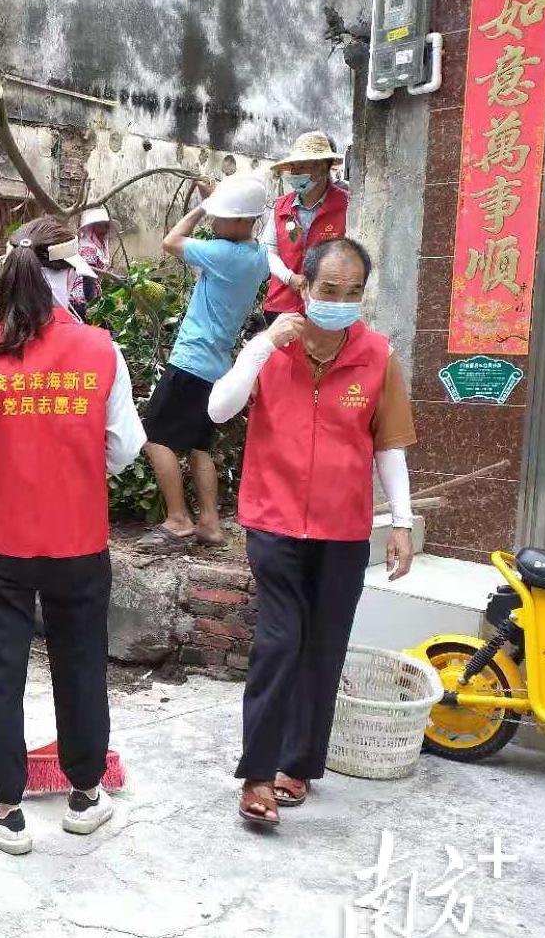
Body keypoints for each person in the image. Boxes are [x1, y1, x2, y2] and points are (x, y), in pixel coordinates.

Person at [0, 216, 146, 855]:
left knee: (1, 669)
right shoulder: (101, 349)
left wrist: (2, 473)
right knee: (81, 663)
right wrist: (72, 466)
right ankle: (84, 798)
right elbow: (125, 448)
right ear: (72, 273)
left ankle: (7, 811)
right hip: (79, 539)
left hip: (1, 539)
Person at [206, 237, 416, 827]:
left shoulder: (376, 356)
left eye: (353, 293)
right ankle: (256, 774)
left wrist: (399, 521)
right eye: (329, 290)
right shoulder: (272, 349)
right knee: (279, 641)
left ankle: (297, 765)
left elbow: (389, 445)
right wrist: (259, 348)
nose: (340, 302)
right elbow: (218, 410)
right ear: (304, 287)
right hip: (274, 522)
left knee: (324, 646)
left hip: (343, 529)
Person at [136, 171, 272, 552]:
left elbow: (170, 241)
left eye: (222, 216)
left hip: (191, 361)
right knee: (198, 446)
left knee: (152, 437)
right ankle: (210, 523)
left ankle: (178, 520)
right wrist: (220, 199)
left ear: (244, 220)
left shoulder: (222, 254)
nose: (216, 221)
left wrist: (200, 206)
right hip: (217, 367)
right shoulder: (257, 257)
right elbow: (237, 232)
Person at [262, 131, 348, 322]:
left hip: (325, 308)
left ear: (321, 167)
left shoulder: (346, 206)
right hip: (281, 306)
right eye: (292, 167)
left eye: (300, 167)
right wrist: (290, 278)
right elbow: (268, 252)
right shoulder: (281, 206)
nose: (293, 174)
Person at [68, 207, 119, 320]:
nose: (104, 230)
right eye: (100, 226)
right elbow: (88, 278)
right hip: (81, 301)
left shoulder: (97, 247)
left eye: (106, 226)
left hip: (88, 298)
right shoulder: (88, 248)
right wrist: (92, 305)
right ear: (92, 228)